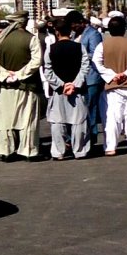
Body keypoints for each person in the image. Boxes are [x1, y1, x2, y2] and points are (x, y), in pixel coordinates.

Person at [0, 11, 44, 161]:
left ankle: (5, 151)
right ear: (24, 22)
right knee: (28, 120)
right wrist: (19, 75)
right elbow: (36, 61)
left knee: (4, 120)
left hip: (3, 86)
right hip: (26, 86)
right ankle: (29, 151)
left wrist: (5, 75)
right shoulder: (31, 38)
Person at [93, 15, 127, 155]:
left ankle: (110, 147)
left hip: (112, 87)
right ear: (124, 29)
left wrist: (112, 76)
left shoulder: (102, 45)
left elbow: (96, 63)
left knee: (111, 117)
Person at [42, 14, 91, 160]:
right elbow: (85, 67)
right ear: (70, 31)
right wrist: (75, 84)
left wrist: (61, 85)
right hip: (78, 90)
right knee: (79, 121)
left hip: (58, 92)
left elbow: (48, 71)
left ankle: (59, 151)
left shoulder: (50, 49)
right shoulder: (80, 47)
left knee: (57, 121)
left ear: (56, 32)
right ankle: (79, 150)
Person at [77, 13, 104, 147]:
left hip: (92, 76)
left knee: (91, 108)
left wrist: (78, 53)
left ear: (81, 22)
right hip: (80, 77)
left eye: (74, 24)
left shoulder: (93, 34)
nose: (73, 28)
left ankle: (92, 137)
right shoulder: (76, 34)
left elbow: (96, 54)